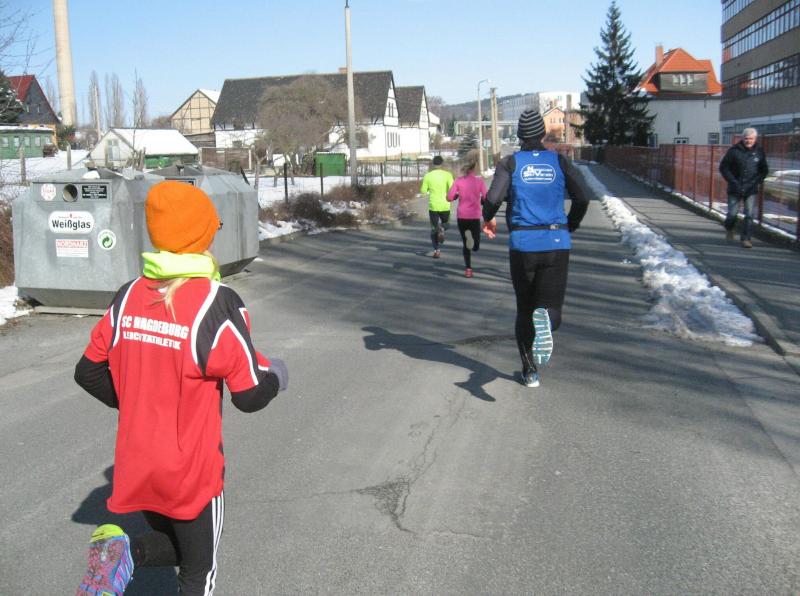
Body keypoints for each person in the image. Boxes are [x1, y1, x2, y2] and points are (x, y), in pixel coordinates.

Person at [74, 181, 288, 595]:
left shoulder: (128, 295)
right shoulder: (217, 302)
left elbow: (88, 371)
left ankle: (125, 552)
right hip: (191, 470)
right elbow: (249, 396)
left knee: (181, 548)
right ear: (202, 233)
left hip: (138, 462)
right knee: (198, 570)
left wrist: (137, 405)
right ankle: (126, 552)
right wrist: (277, 375)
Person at [483, 109, 589, 388]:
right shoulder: (559, 161)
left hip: (523, 244)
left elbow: (493, 199)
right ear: (542, 133)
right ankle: (548, 324)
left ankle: (530, 370)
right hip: (556, 242)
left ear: (519, 135)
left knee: (524, 309)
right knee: (550, 308)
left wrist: (487, 217)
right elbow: (582, 197)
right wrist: (571, 224)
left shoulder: (510, 163)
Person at [719, 127, 769, 249]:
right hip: (735, 187)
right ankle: (730, 229)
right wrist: (732, 181)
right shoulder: (734, 151)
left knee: (749, 214)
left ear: (755, 139)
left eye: (751, 138)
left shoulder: (759, 152)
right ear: (742, 138)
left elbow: (764, 170)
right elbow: (723, 167)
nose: (748, 141)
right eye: (746, 138)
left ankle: (746, 239)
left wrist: (757, 181)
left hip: (751, 189)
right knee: (732, 214)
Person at [447, 149, 488, 277]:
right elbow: (486, 197)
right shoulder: (479, 181)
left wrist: (455, 196)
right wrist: (482, 200)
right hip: (474, 216)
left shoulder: (458, 181)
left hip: (462, 216)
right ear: (474, 170)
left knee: (466, 244)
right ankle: (474, 244)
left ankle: (468, 269)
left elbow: (449, 197)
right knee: (475, 244)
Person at [420, 155, 454, 258]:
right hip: (445, 205)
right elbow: (452, 189)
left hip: (433, 206)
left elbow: (423, 191)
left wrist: (428, 190)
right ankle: (442, 228)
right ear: (442, 164)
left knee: (434, 229)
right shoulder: (448, 175)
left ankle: (436, 251)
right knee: (447, 224)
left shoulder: (428, 176)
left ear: (433, 164)